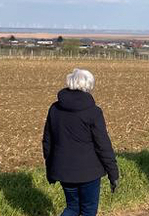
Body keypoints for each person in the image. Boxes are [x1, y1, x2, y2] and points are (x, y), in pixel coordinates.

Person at [43, 69, 119, 216]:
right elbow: (103, 145)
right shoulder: (93, 112)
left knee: (72, 208)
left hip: (63, 170)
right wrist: (113, 173)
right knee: (88, 210)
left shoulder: (55, 108)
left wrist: (51, 168)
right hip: (89, 173)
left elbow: (47, 141)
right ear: (88, 86)